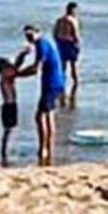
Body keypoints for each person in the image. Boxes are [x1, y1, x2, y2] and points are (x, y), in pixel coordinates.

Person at [17, 24, 64, 166]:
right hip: (56, 81)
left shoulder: (41, 44)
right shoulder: (44, 44)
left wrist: (18, 74)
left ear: (38, 33)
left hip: (51, 82)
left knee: (40, 116)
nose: (29, 38)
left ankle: (43, 147)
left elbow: (36, 68)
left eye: (31, 35)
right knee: (48, 115)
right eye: (27, 36)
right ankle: (49, 147)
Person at [0, 54, 22, 167]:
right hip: (8, 106)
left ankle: (5, 150)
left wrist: (22, 56)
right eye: (7, 67)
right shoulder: (5, 77)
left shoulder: (8, 76)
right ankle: (4, 151)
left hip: (12, 105)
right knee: (7, 130)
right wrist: (22, 55)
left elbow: (15, 67)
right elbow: (16, 68)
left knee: (10, 130)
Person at [52, 2, 81, 101]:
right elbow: (75, 33)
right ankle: (76, 83)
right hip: (70, 42)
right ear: (73, 10)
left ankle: (61, 82)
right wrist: (77, 44)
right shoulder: (72, 20)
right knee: (73, 65)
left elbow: (55, 33)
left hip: (61, 42)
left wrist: (57, 42)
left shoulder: (59, 20)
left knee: (62, 65)